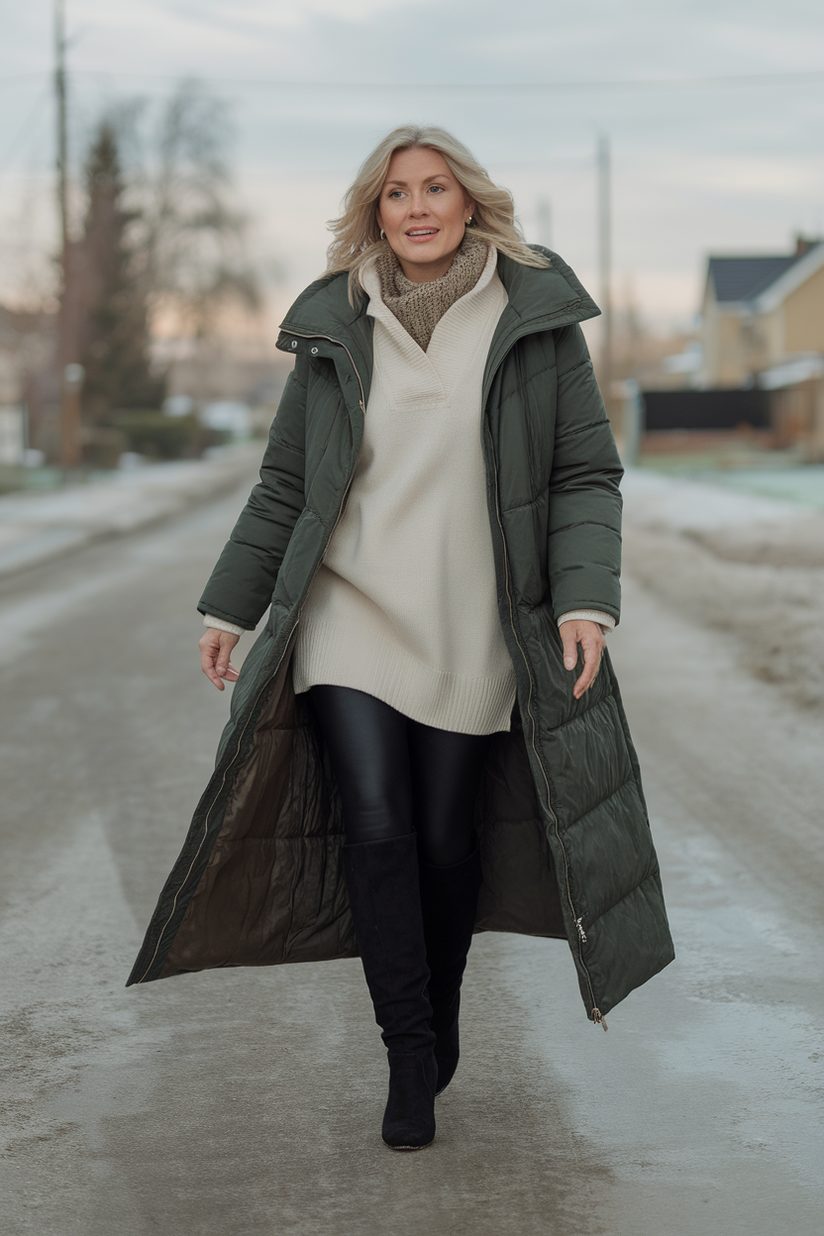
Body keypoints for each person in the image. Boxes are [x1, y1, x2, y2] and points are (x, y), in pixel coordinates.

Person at [128, 125, 674, 1152]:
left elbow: (581, 475)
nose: (415, 208)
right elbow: (287, 482)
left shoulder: (533, 316)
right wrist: (228, 607)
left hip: (474, 628)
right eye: (393, 195)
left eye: (434, 189)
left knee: (439, 840)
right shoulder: (340, 321)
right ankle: (407, 1052)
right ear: (372, 213)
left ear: (469, 202)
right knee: (375, 829)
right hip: (349, 616)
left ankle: (440, 1008)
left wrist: (581, 600)